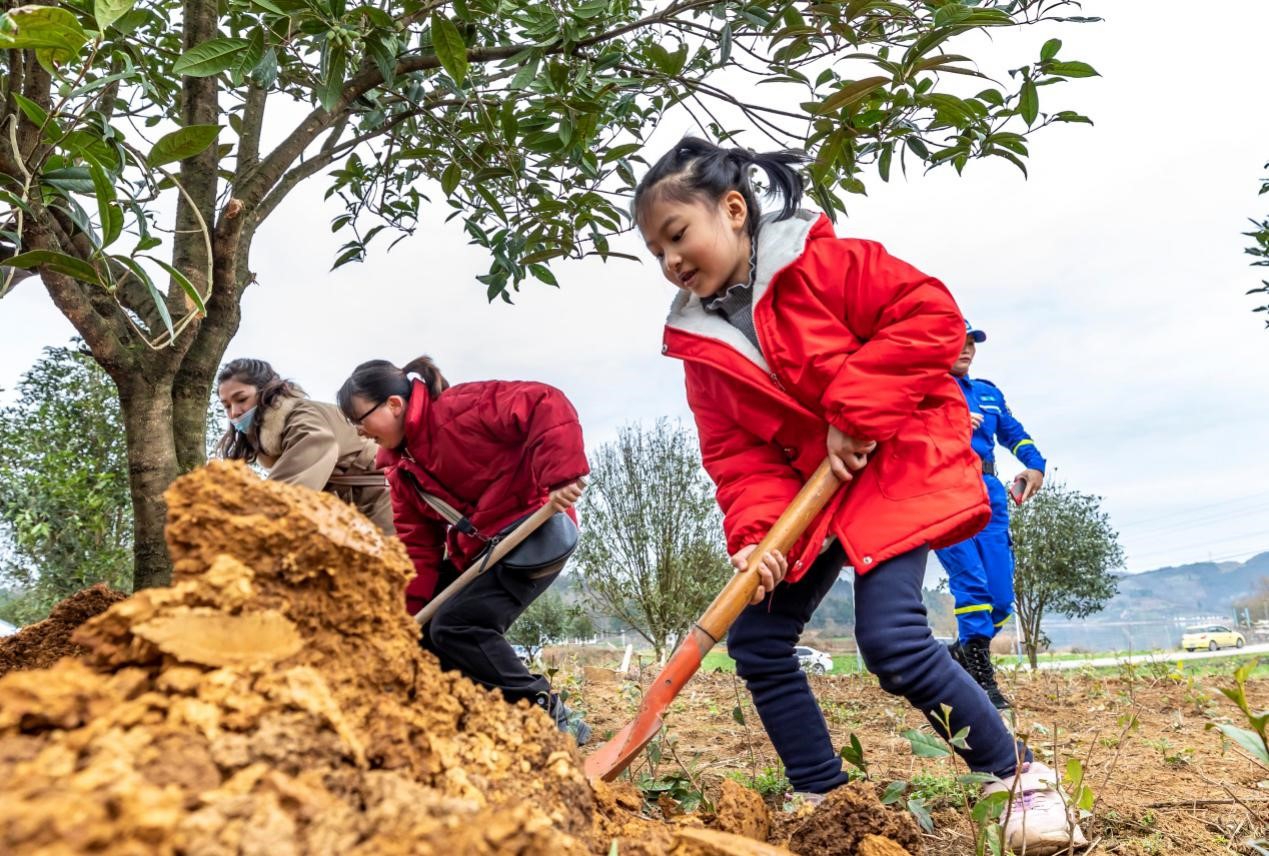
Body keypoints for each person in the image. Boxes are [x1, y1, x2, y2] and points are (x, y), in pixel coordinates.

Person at [635, 137, 1085, 853]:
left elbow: (929, 318)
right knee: (757, 640)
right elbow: (735, 452)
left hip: (890, 466)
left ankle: (1016, 776)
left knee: (890, 641)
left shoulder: (830, 264)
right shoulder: (701, 347)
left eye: (677, 235)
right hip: (806, 498)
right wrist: (758, 533)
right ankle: (823, 795)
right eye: (655, 251)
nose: (669, 261)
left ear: (732, 209)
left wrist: (855, 411)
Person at [335, 356, 592, 744]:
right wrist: (407, 618)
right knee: (425, 633)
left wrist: (562, 475)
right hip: (482, 548)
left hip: (533, 530)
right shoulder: (402, 473)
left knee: (460, 625)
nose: (360, 432)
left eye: (361, 419)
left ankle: (548, 712)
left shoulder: (461, 408)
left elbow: (545, 402)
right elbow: (417, 549)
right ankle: (461, 717)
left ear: (393, 404)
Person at [935, 322, 1047, 710]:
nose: (966, 350)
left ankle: (959, 653)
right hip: (944, 491)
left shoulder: (988, 392)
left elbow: (1015, 434)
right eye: (957, 342)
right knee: (973, 588)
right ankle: (982, 684)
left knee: (1000, 598)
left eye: (971, 344)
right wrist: (950, 426)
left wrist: (1035, 466)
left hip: (990, 493)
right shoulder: (923, 391)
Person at [216, 358, 393, 533]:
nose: (234, 412)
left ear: (265, 391)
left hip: (382, 499)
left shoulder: (304, 420)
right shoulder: (276, 433)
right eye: (226, 406)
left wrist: (245, 521)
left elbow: (290, 490)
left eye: (241, 399)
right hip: (349, 508)